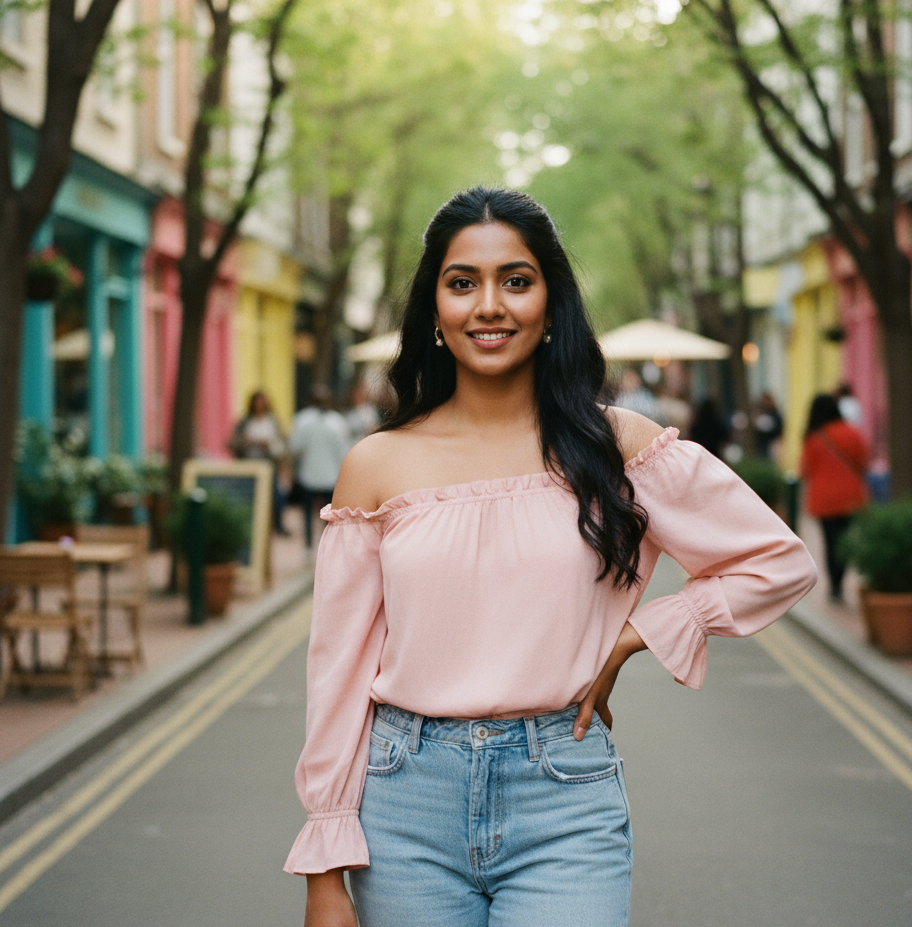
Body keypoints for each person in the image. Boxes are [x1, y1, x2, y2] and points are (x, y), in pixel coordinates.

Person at [285, 187, 817, 927]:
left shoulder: (616, 446)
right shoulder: (376, 465)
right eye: (462, 282)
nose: (490, 305)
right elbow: (336, 671)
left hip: (564, 793)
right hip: (403, 800)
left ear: (549, 300)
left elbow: (778, 560)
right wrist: (324, 868)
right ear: (434, 309)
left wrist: (646, 630)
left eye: (517, 280)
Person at [800, 393, 869, 602]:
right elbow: (863, 462)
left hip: (824, 499)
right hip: (850, 497)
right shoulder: (852, 433)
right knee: (845, 541)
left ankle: (835, 587)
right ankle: (840, 579)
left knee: (830, 542)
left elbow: (805, 470)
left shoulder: (814, 437)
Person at [287, 387, 350, 551]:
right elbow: (344, 452)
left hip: (312, 475)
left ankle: (311, 547)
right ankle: (325, 547)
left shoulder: (302, 420)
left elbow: (295, 448)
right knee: (327, 515)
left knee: (312, 514)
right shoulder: (338, 422)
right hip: (328, 476)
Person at [228, 390, 288, 534]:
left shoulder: (272, 421)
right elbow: (233, 442)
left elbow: (281, 444)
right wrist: (249, 442)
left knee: (276, 496)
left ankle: (276, 525)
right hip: (249, 464)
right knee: (249, 496)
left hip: (268, 464)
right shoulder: (245, 421)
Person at [753, 391, 783, 460]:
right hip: (761, 442)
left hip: (771, 442)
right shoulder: (759, 412)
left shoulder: (775, 414)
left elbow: (779, 429)